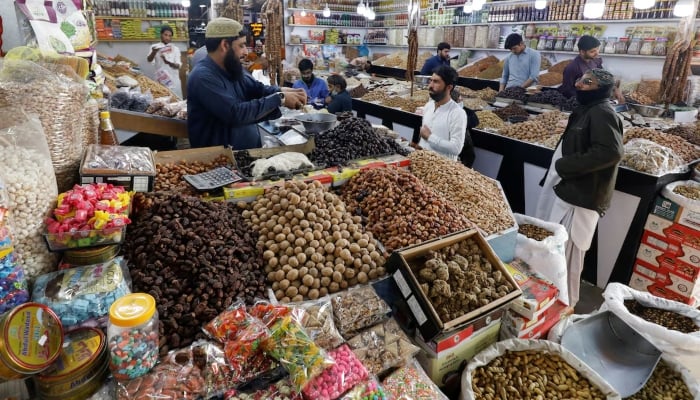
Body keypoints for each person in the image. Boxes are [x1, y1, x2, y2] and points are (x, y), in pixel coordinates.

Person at [535, 68, 624, 307]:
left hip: (582, 198)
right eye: (580, 79)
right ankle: (550, 304)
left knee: (569, 260)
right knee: (556, 254)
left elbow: (611, 152)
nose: (579, 84)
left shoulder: (603, 112)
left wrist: (566, 166)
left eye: (588, 82)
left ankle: (565, 307)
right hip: (569, 191)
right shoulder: (588, 109)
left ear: (601, 89)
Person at [187, 18, 307, 150]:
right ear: (224, 45)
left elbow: (257, 89)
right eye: (241, 45)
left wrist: (284, 91)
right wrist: (280, 99)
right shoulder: (203, 77)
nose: (246, 52)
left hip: (245, 152)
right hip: (218, 161)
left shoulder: (232, 68)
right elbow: (235, 113)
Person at [417, 65, 467, 161]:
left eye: (436, 82)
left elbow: (456, 148)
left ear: (449, 87)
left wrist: (429, 137)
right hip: (421, 164)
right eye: (430, 81)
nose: (430, 86)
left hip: (441, 170)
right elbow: (424, 137)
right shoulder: (429, 106)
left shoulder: (457, 113)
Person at [559, 35, 625, 102]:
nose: (596, 53)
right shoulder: (572, 67)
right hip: (581, 102)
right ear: (582, 52)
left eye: (597, 50)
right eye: (592, 51)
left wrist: (615, 89)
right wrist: (588, 98)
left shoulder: (595, 61)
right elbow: (567, 91)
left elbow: (604, 78)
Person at [147, 25, 183, 98]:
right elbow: (149, 60)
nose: (167, 38)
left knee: (176, 102)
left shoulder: (175, 49)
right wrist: (154, 52)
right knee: (162, 103)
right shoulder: (155, 47)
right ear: (161, 34)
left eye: (170, 36)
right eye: (165, 35)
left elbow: (178, 65)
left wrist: (168, 62)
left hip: (174, 81)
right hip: (161, 80)